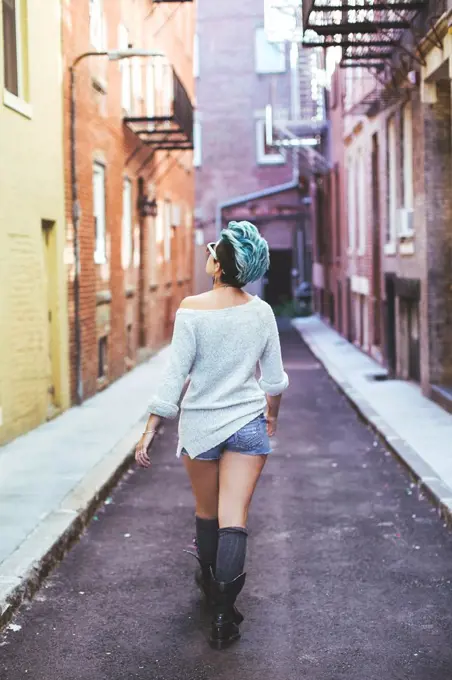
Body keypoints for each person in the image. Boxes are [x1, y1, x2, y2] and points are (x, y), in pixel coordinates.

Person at [135, 220, 289, 649]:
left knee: (207, 513)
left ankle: (208, 591)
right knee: (233, 518)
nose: (207, 253)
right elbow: (273, 381)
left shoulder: (191, 308)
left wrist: (150, 427)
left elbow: (174, 377)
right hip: (246, 425)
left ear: (220, 265)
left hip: (201, 427)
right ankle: (224, 616)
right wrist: (270, 417)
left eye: (212, 249)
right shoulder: (262, 312)